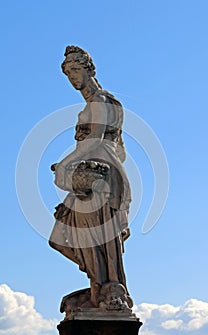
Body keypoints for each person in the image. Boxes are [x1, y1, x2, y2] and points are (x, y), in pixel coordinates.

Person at [49, 46, 132, 310]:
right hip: (89, 175)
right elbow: (118, 148)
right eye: (68, 73)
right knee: (60, 239)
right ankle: (98, 286)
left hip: (102, 178)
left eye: (76, 70)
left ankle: (106, 291)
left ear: (89, 69)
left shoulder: (102, 102)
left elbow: (98, 140)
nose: (72, 77)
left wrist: (65, 164)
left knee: (102, 239)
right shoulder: (91, 106)